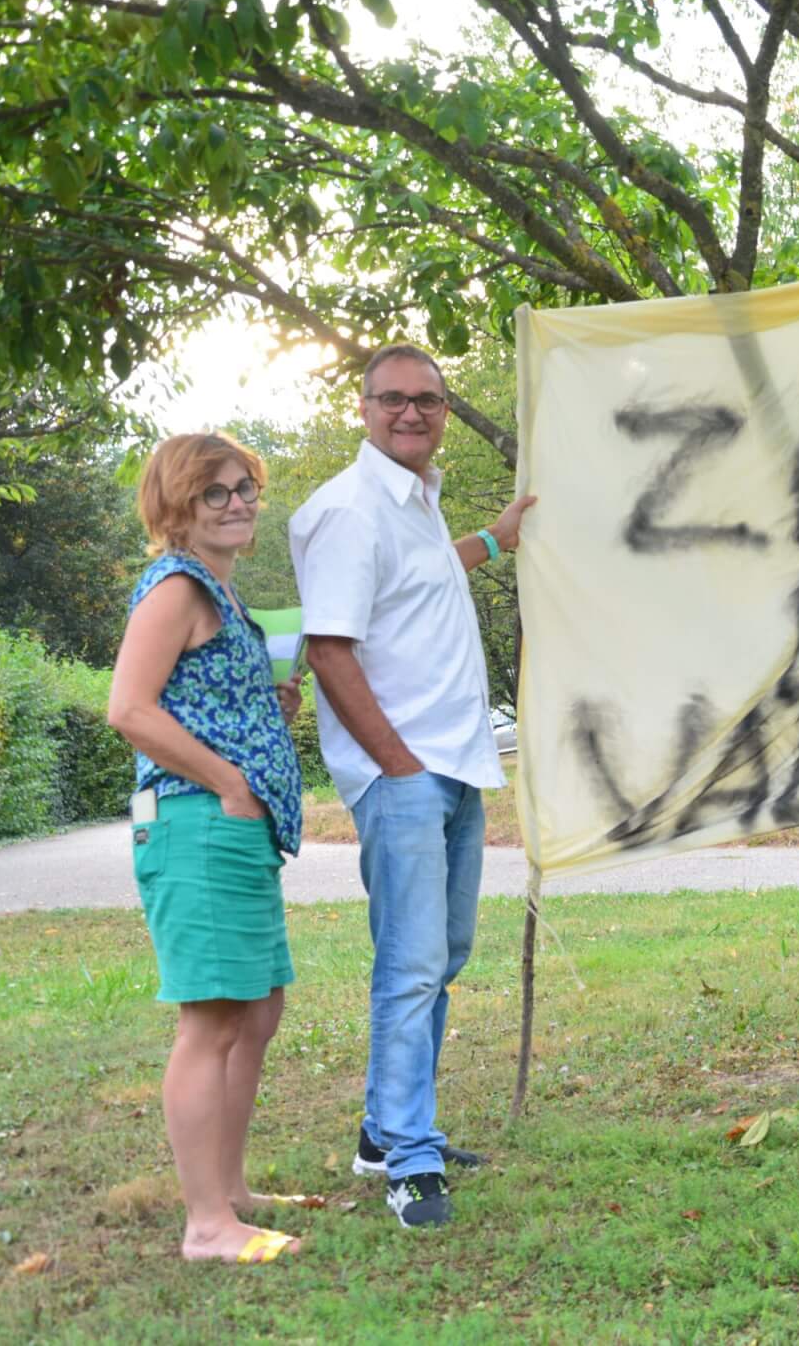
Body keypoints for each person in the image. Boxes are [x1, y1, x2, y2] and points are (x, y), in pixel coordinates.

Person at [290, 344, 536, 1227]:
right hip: (408, 774)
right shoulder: (351, 511)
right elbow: (328, 649)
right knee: (411, 964)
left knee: (443, 957)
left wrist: (494, 541)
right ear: (362, 407)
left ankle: (382, 1131)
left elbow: (422, 581)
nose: (412, 414)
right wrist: (395, 763)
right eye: (393, 399)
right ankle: (411, 1159)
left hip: (456, 763)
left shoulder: (415, 502)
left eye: (428, 400)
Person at [108, 432, 306, 1264]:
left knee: (256, 1010)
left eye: (244, 488)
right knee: (214, 1020)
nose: (238, 503)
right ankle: (207, 1228)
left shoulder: (221, 594)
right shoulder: (179, 585)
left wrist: (269, 712)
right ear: (176, 507)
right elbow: (131, 708)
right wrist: (230, 781)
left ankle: (231, 1193)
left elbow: (197, 699)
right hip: (199, 823)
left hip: (233, 827)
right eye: (214, 492)